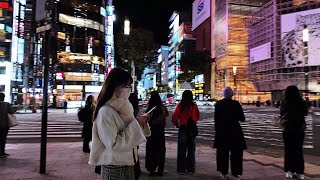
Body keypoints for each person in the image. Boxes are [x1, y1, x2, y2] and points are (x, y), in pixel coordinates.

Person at [89, 67, 151, 180]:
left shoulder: (124, 108)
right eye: (125, 86)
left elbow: (128, 133)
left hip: (128, 164)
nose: (128, 90)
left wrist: (140, 122)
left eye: (129, 87)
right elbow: (114, 144)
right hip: (115, 168)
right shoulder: (105, 111)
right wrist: (136, 123)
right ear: (115, 86)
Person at [213, 86, 246, 180]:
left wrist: (217, 131)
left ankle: (223, 173)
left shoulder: (218, 104)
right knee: (236, 153)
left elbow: (216, 119)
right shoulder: (236, 104)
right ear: (232, 94)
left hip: (222, 131)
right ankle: (236, 174)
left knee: (222, 153)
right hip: (235, 131)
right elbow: (242, 118)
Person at [280, 85, 308, 180]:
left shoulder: (285, 102)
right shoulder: (301, 102)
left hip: (287, 129)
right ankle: (300, 172)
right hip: (299, 129)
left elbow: (281, 113)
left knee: (288, 150)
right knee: (298, 150)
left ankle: (289, 171)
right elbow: (305, 112)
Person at [172, 90, 200, 175]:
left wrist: (177, 123)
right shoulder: (194, 105)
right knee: (191, 150)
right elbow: (197, 116)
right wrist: (193, 121)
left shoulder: (181, 105)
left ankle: (181, 169)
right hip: (191, 129)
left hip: (183, 128)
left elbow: (174, 116)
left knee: (181, 150)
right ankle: (191, 169)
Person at [145, 91, 169, 176]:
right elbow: (166, 114)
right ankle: (160, 169)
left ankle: (151, 168)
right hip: (160, 131)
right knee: (160, 150)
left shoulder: (150, 108)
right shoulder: (162, 108)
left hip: (151, 131)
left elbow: (146, 118)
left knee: (151, 150)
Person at [128, 93, 142, 180]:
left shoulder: (126, 109)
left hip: (128, 132)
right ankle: (136, 169)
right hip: (135, 133)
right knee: (134, 151)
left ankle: (133, 169)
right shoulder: (137, 109)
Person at [0, 93, 15, 157]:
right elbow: (12, 111)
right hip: (4, 124)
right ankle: (2, 152)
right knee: (3, 138)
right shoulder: (6, 104)